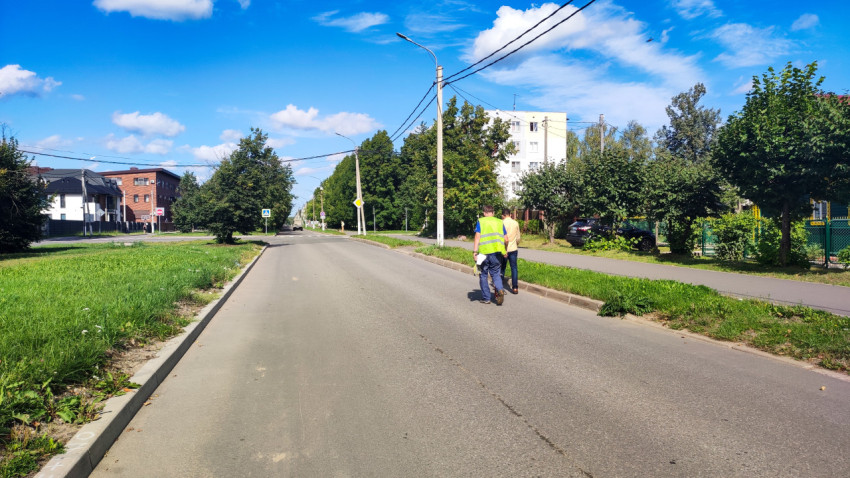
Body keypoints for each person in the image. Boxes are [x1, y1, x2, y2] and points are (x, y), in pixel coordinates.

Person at [473, 205, 508, 305]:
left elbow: (477, 237)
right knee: (496, 274)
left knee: (483, 275)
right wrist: (505, 250)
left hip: (483, 253)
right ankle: (500, 289)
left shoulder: (481, 221)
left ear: (484, 213)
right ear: (493, 212)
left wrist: (475, 252)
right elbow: (506, 239)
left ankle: (486, 298)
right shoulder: (500, 222)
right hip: (497, 253)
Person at [500, 209, 521, 294]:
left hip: (504, 249)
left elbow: (500, 237)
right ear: (510, 214)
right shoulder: (515, 223)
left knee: (502, 267)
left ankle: (499, 286)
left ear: (503, 215)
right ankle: (515, 287)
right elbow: (518, 237)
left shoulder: (501, 223)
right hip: (513, 248)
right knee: (514, 268)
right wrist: (516, 244)